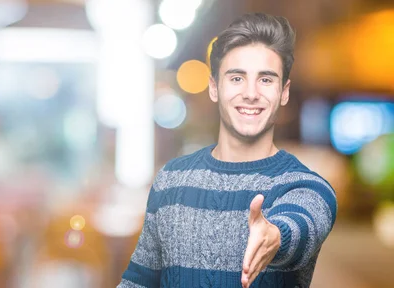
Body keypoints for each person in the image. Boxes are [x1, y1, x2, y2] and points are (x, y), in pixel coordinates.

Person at [118, 13, 337, 288]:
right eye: (236, 78)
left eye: (266, 80)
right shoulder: (170, 180)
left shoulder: (308, 188)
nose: (251, 93)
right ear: (214, 87)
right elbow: (139, 281)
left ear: (284, 92)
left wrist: (274, 236)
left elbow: (300, 225)